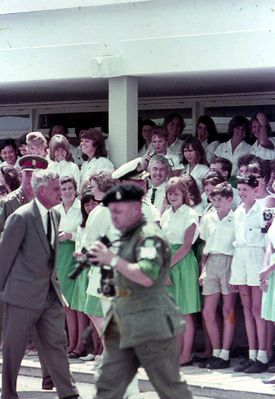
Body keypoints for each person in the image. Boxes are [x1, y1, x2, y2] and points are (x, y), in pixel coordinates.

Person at [89, 183, 192, 399]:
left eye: (119, 211)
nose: (114, 217)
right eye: (112, 212)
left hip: (151, 324)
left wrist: (112, 260)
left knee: (169, 387)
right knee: (107, 384)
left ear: (136, 209)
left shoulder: (150, 237)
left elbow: (146, 276)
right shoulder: (126, 237)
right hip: (122, 323)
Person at [0, 169, 80, 399]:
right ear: (42, 190)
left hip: (49, 295)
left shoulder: (55, 216)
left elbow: (51, 257)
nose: (60, 193)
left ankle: (69, 392)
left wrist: (57, 290)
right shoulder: (21, 217)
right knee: (14, 348)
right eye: (56, 189)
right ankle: (8, 393)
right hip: (21, 296)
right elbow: (4, 257)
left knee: (56, 343)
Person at [230, 174, 269, 373]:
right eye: (240, 189)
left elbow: (268, 242)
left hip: (256, 259)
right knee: (246, 309)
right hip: (240, 259)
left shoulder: (264, 211)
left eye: (246, 189)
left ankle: (263, 355)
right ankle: (252, 354)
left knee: (257, 309)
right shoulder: (238, 212)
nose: (242, 193)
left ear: (256, 190)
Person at [199, 182, 237, 369]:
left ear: (230, 199)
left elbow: (237, 247)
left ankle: (225, 353)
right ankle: (215, 352)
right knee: (208, 311)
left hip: (230, 262)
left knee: (228, 311)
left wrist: (236, 273)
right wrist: (203, 270)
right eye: (213, 199)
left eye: (220, 199)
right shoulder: (208, 218)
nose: (216, 203)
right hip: (212, 262)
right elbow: (205, 248)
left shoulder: (236, 218)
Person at [55, 176, 82, 357]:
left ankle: (76, 344)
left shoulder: (81, 208)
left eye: (70, 188)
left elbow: (84, 232)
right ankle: (67, 343)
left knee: (73, 304)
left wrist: (70, 236)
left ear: (75, 189)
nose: (67, 192)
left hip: (74, 255)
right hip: (58, 257)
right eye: (63, 189)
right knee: (62, 303)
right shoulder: (55, 210)